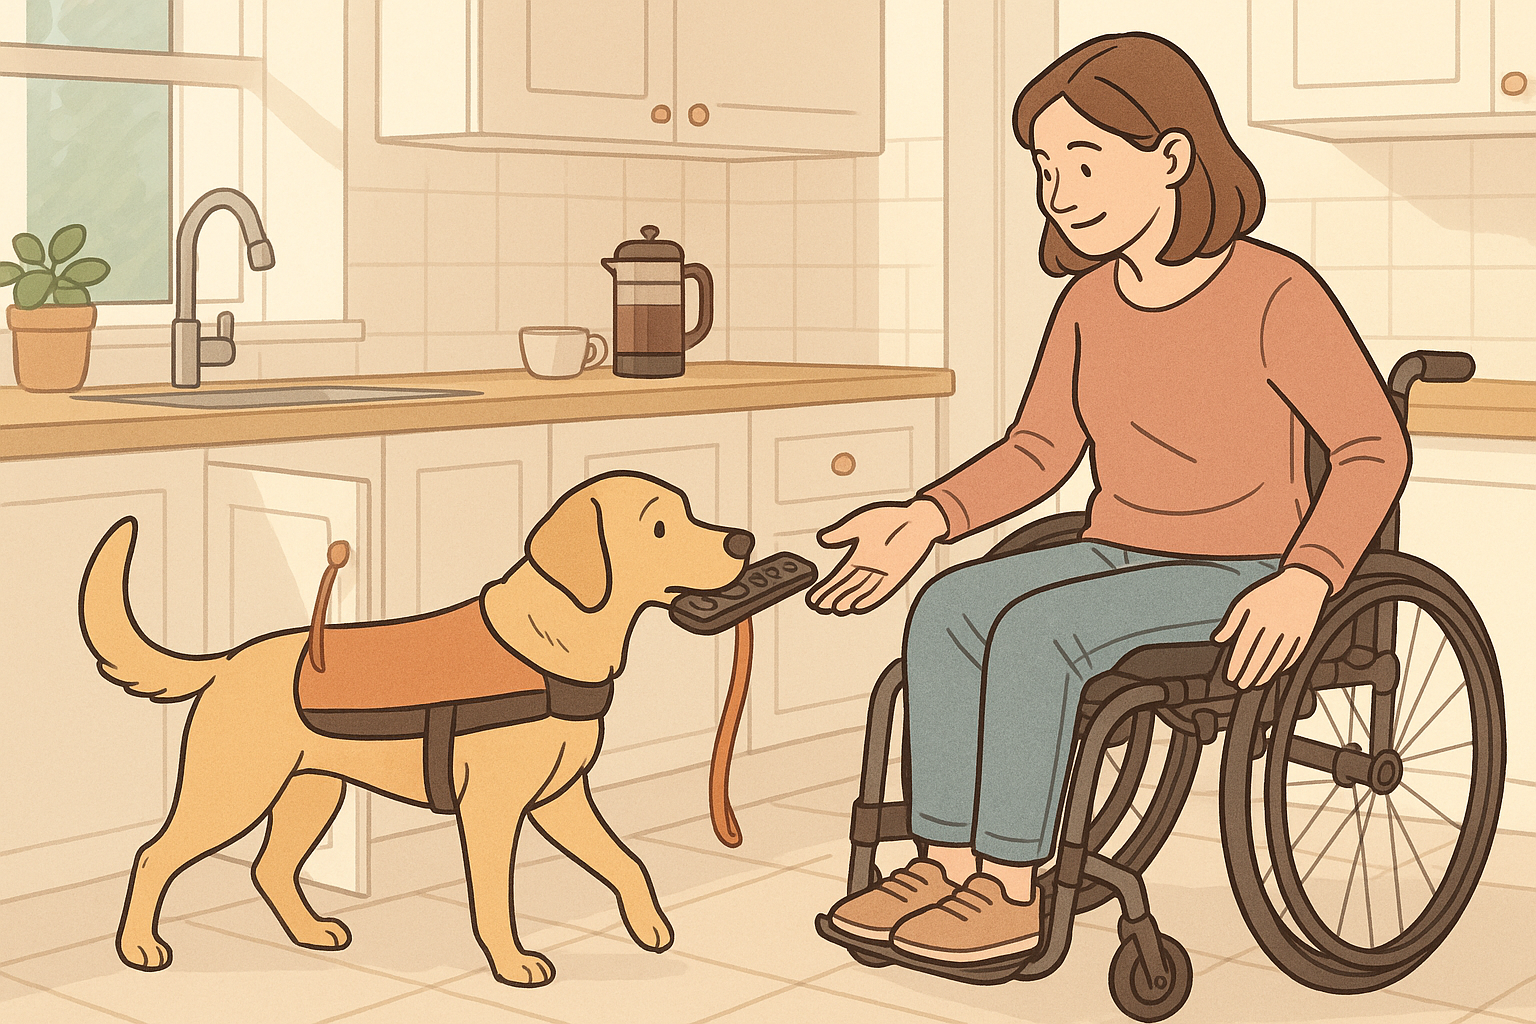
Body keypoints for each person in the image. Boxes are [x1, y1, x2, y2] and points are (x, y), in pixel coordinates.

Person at [809, 32, 1410, 965]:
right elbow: (1039, 449)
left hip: (1241, 564)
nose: (1060, 190)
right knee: (949, 606)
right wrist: (923, 519)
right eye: (1047, 167)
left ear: (1172, 158)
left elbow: (1373, 447)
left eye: (1084, 161)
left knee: (1038, 635)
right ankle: (943, 860)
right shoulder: (1089, 303)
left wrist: (1307, 579)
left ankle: (1010, 886)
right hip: (1115, 548)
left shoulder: (1273, 292)